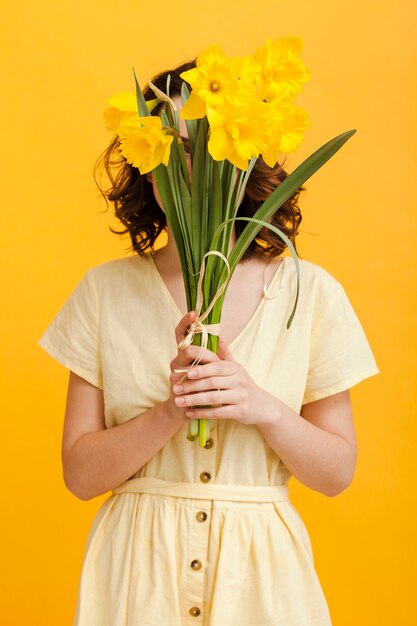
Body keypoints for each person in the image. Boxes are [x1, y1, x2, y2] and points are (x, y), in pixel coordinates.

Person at [38, 59, 379, 626]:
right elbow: (80, 476)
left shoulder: (310, 291)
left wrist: (260, 406)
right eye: (167, 152)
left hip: (262, 584)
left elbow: (336, 473)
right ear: (150, 170)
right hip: (136, 580)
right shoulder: (102, 291)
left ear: (241, 163)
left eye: (202, 150)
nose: (182, 170)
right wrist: (173, 410)